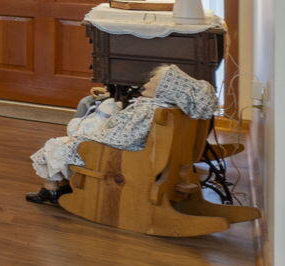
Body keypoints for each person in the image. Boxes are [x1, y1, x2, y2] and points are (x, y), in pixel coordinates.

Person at [24, 66, 218, 207]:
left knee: (57, 146)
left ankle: (52, 189)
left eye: (153, 81)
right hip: (143, 151)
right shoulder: (167, 107)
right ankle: (62, 185)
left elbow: (124, 137)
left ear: (165, 90)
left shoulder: (148, 109)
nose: (147, 82)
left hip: (121, 154)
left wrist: (89, 136)